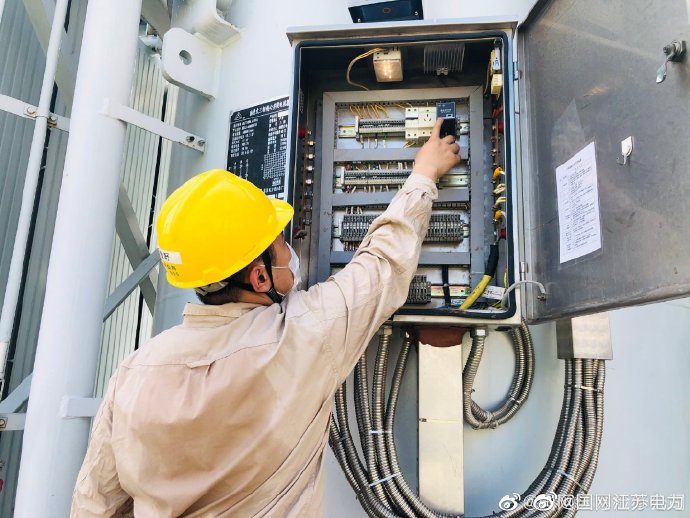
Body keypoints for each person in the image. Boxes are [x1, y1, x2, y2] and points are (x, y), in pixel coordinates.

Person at [71, 118, 459, 517]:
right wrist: (424, 174)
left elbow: (94, 503)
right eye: (281, 244)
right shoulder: (302, 335)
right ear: (260, 277)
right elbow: (383, 264)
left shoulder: (133, 373)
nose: (290, 250)